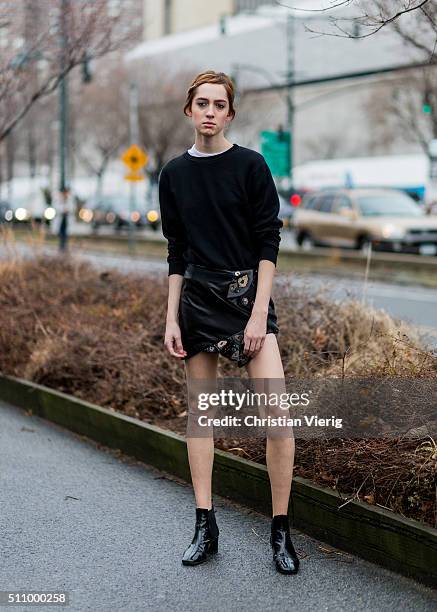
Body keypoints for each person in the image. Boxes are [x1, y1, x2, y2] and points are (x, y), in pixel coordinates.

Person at [158, 70, 299, 575]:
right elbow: (176, 251)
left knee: (278, 420)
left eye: (220, 104)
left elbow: (268, 242)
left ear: (230, 114)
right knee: (203, 418)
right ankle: (205, 525)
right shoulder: (173, 174)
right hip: (197, 299)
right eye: (202, 103)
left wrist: (259, 314)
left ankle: (280, 530)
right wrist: (171, 317)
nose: (211, 111)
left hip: (247, 298)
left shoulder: (251, 166)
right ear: (189, 110)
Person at [56, 187, 74, 252]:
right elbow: (57, 208)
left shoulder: (70, 200)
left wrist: (67, 210)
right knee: (61, 233)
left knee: (66, 234)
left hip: (67, 219)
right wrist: (63, 210)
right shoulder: (59, 200)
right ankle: (61, 247)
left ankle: (65, 247)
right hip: (61, 220)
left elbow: (72, 208)